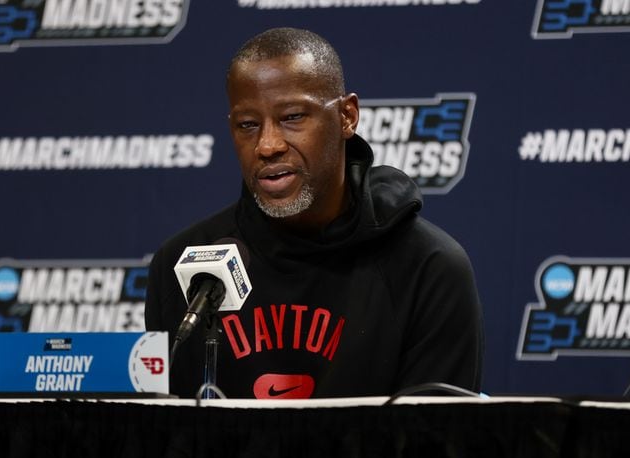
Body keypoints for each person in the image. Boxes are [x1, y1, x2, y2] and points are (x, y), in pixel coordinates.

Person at [145, 27, 483, 399]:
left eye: (292, 117)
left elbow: (437, 438)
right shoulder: (184, 268)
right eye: (247, 125)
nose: (268, 145)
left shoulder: (429, 269)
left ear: (347, 116)